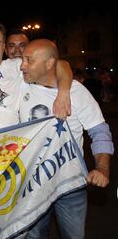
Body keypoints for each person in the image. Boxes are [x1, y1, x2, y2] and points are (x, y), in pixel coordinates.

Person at [19, 39, 114, 239]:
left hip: (70, 186)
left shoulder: (77, 92)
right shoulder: (20, 86)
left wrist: (102, 168)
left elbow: (99, 131)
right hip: (33, 186)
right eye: (22, 60)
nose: (22, 65)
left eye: (29, 60)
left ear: (49, 63)